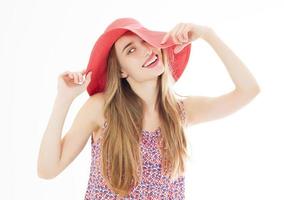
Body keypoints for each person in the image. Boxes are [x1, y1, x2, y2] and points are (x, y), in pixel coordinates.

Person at [37, 18, 260, 199]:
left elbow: (249, 90)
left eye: (146, 41)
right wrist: (63, 99)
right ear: (122, 71)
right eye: (131, 50)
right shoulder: (101, 108)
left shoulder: (180, 111)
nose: (146, 50)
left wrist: (208, 35)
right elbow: (47, 170)